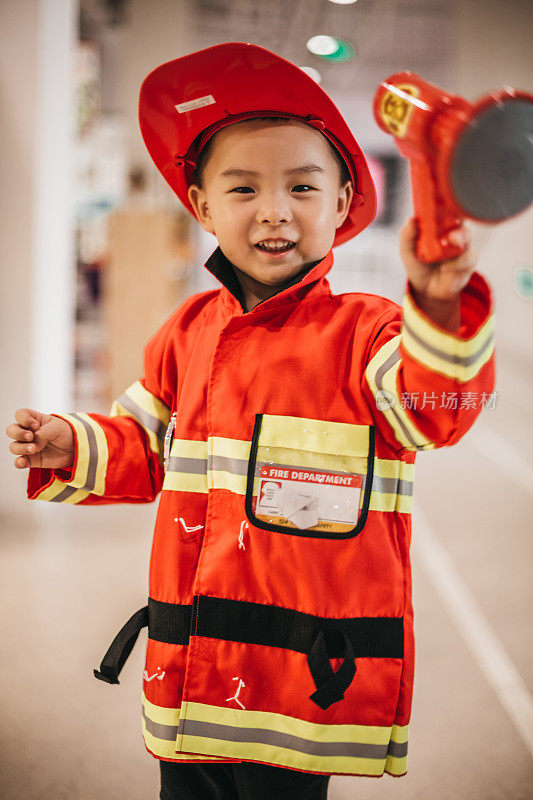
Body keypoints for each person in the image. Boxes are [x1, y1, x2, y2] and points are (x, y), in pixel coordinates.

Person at [6, 43, 495, 800]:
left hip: (300, 679)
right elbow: (145, 445)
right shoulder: (184, 332)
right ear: (200, 206)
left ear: (340, 205)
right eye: (242, 188)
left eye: (302, 186)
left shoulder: (367, 332)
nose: (274, 209)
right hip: (192, 667)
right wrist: (75, 442)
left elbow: (436, 413)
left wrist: (435, 307)